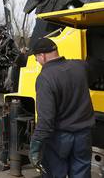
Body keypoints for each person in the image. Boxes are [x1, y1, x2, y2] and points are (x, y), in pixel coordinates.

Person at [29, 38, 104, 177]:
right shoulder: (80, 66)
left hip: (59, 139)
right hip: (84, 136)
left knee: (55, 174)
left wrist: (36, 144)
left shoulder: (45, 78)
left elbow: (46, 120)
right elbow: (98, 64)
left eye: (36, 58)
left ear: (42, 56)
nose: (37, 62)